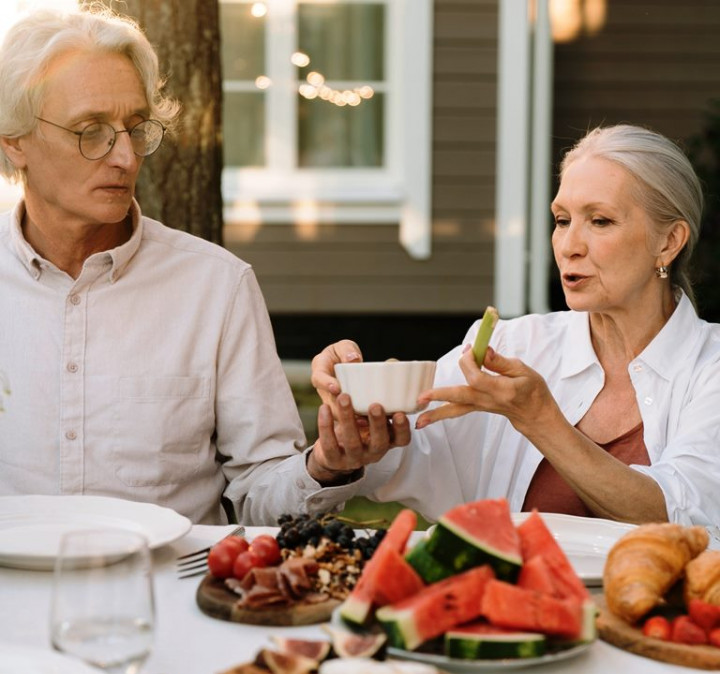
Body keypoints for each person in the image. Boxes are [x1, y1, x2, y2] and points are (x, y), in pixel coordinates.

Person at [0, 5, 360, 525]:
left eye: (135, 128)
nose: (124, 157)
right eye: (91, 130)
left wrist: (325, 466)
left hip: (170, 597)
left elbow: (259, 490)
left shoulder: (216, 287)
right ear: (15, 141)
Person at [309, 124, 720, 533]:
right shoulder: (513, 345)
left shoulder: (711, 368)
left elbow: (684, 518)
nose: (568, 245)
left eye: (599, 221)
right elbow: (408, 450)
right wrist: (356, 419)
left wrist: (541, 420)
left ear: (668, 242)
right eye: (561, 220)